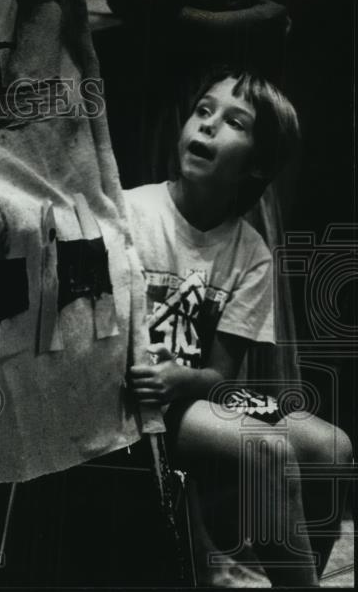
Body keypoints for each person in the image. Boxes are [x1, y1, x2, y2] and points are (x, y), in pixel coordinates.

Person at [123, 68, 354, 586]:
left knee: (333, 447)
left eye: (233, 122)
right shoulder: (130, 213)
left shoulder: (250, 252)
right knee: (264, 447)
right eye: (202, 111)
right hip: (141, 409)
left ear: (257, 165)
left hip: (192, 398)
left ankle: (300, 577)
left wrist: (179, 379)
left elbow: (220, 377)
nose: (207, 126)